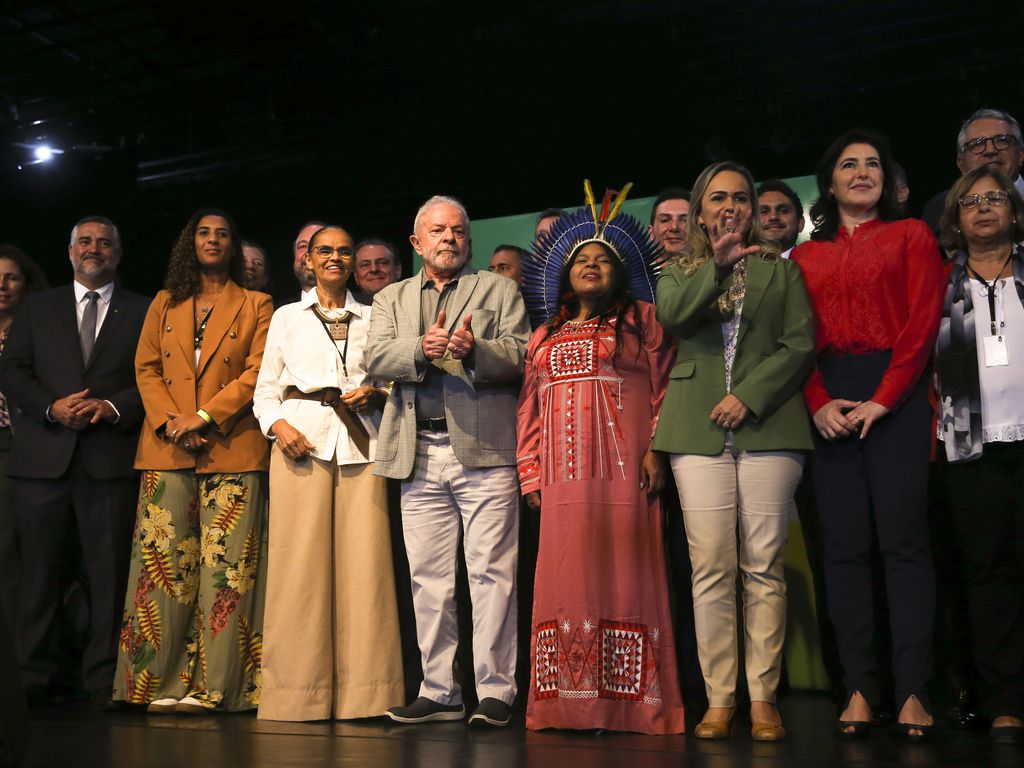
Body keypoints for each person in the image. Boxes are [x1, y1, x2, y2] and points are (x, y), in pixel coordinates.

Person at [653, 163, 815, 741]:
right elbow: (672, 318)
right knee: (710, 568)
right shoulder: (677, 271)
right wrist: (716, 267)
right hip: (695, 430)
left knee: (764, 564)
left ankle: (763, 697)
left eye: (741, 198)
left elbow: (799, 344)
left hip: (770, 425)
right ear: (699, 212)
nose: (731, 206)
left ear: (752, 207)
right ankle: (720, 698)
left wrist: (747, 396)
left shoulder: (781, 271)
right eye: (717, 198)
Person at [792, 129, 944, 741]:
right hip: (830, 396)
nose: (862, 172)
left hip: (898, 393)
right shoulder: (804, 257)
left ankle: (911, 692)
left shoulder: (912, 235)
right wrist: (818, 402)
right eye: (849, 165)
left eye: (873, 164)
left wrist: (886, 398)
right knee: (844, 549)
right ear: (828, 183)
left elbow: (924, 322)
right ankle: (857, 688)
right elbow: (794, 341)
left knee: (905, 545)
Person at [517, 181, 684, 734]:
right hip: (563, 486)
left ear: (620, 271)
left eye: (602, 259)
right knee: (566, 581)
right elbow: (530, 411)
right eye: (580, 259)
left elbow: (665, 389)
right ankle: (565, 703)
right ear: (564, 274)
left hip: (623, 477)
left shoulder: (643, 322)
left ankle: (633, 706)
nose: (591, 266)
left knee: (626, 579)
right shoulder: (544, 336)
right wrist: (530, 471)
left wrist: (657, 447)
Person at [365, 195, 529, 728]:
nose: (450, 239)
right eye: (438, 231)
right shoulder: (392, 296)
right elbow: (376, 357)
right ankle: (439, 691)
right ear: (416, 243)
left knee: (491, 576)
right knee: (429, 579)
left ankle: (496, 690)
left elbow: (521, 355)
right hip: (419, 451)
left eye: (458, 231)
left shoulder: (499, 289)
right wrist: (422, 346)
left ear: (469, 240)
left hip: (484, 451)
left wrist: (474, 349)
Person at [113, 208, 272, 713]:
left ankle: (218, 689)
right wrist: (171, 422)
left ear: (233, 246)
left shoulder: (257, 303)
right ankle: (154, 685)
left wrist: (203, 416)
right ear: (191, 243)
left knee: (227, 574)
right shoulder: (164, 302)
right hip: (166, 447)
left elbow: (257, 373)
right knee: (162, 572)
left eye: (223, 233)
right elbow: (145, 367)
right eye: (204, 233)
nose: (213, 240)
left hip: (230, 446)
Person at [253, 225, 404, 721]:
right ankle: (297, 695)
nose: (335, 257)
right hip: (303, 444)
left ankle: (369, 691)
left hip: (363, 445)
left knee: (367, 573)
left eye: (344, 251)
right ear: (308, 260)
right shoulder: (285, 317)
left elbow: (392, 382)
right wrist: (277, 427)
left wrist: (377, 395)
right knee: (299, 572)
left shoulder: (375, 314)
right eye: (325, 251)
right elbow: (265, 390)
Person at [0, 217, 149, 708]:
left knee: (107, 581)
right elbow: (13, 369)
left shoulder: (144, 310)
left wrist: (111, 407)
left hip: (109, 463)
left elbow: (155, 378)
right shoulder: (39, 308)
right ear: (69, 252)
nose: (94, 249)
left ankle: (102, 682)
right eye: (84, 242)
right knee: (37, 577)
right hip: (42, 461)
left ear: (118, 254)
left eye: (105, 242)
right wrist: (50, 406)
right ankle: (33, 679)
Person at [935, 167, 1024, 744]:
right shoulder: (941, 283)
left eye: (995, 198)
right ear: (956, 218)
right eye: (971, 201)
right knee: (989, 578)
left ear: (1014, 210)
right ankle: (1005, 702)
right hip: (970, 447)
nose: (984, 208)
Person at [0, 245, 49, 629]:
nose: (2, 286)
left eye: (10, 277)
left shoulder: (40, 331)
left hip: (21, 448)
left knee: (15, 552)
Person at [923, 108, 1024, 234]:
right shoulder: (940, 208)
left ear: (1020, 155)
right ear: (961, 164)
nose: (990, 150)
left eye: (1002, 140)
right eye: (977, 144)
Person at [757, 180, 805, 257]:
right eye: (763, 211)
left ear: (800, 223)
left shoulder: (819, 265)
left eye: (783, 211)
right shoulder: (733, 265)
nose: (773, 217)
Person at [648, 188, 691, 261]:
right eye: (665, 220)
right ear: (651, 232)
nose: (674, 227)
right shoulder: (630, 271)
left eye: (684, 220)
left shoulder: (712, 271)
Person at [292, 221, 324, 296]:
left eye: (319, 246)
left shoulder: (356, 306)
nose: (309, 253)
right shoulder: (278, 307)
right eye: (303, 246)